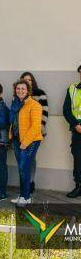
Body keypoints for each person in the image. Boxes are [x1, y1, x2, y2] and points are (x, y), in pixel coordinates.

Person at [9, 79, 43, 206]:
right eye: (18, 88)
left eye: (23, 88)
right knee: (21, 169)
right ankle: (23, 195)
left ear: (28, 90)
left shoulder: (35, 105)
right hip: (18, 140)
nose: (20, 91)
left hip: (30, 141)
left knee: (24, 169)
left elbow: (35, 127)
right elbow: (13, 122)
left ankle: (26, 197)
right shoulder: (16, 104)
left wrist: (25, 143)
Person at [21, 71, 49, 194]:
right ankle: (26, 186)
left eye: (29, 80)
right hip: (22, 134)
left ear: (33, 81)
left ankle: (31, 182)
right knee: (24, 160)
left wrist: (39, 130)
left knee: (31, 159)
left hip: (35, 133)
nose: (27, 82)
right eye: (25, 80)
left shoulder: (39, 94)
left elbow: (45, 113)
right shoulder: (19, 95)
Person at [63, 65, 81, 198]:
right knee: (78, 159)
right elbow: (66, 110)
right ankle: (78, 186)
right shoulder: (72, 89)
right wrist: (75, 125)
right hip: (77, 130)